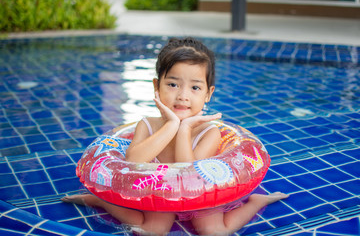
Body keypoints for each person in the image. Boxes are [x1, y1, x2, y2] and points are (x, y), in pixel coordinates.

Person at [62, 37, 288, 236]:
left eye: (195, 88)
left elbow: (191, 177)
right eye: (172, 84)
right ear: (156, 87)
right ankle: (100, 200)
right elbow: (132, 161)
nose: (182, 96)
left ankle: (256, 202)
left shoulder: (209, 133)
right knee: (152, 231)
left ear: (208, 94)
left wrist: (185, 129)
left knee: (215, 232)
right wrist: (171, 125)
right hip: (158, 195)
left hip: (200, 196)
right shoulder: (147, 125)